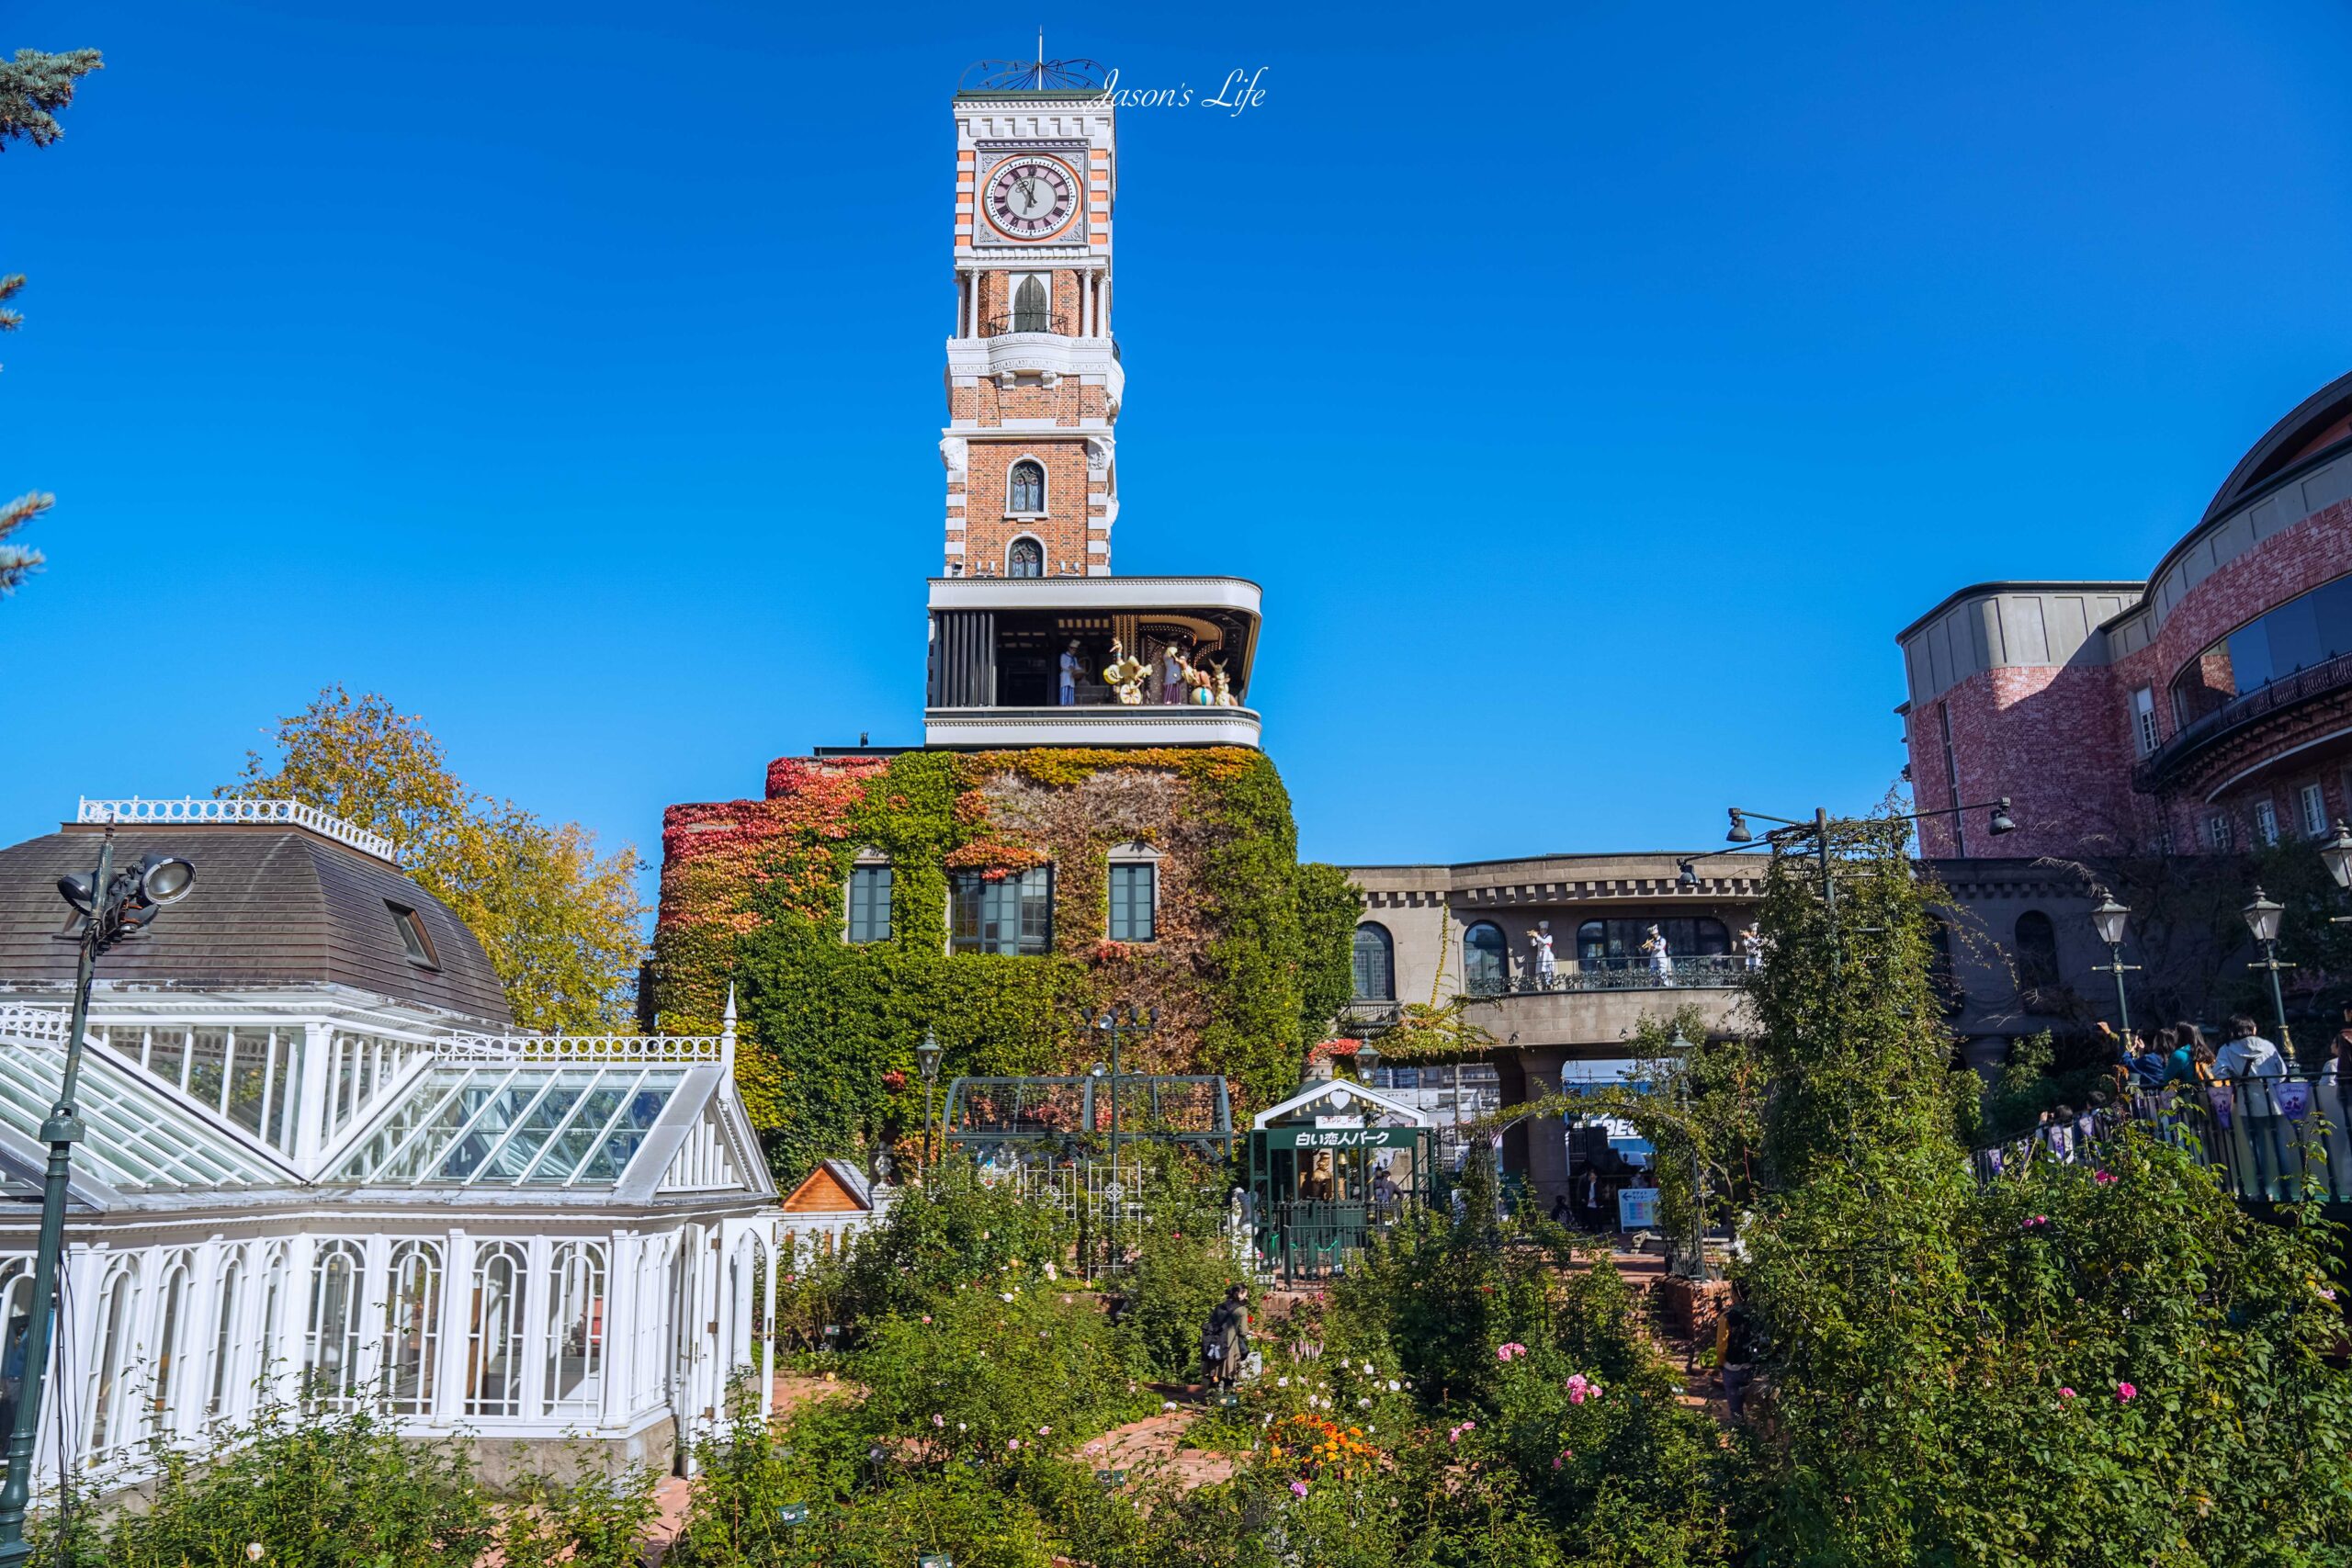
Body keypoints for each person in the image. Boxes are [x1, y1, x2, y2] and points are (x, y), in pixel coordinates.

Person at [2214, 1012, 2293, 1198]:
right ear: (2253, 1028)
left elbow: (2219, 1073)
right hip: (2272, 1100)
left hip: (2247, 1101)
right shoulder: (2267, 1045)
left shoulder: (2227, 1049)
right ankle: (2287, 1187)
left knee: (2257, 1148)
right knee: (2280, 1145)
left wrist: (2237, 1076)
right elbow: (2282, 1073)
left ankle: (2263, 1189)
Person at [1717, 1279, 1765, 1423]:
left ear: (1735, 1295)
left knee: (1736, 1413)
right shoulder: (1757, 1315)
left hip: (1732, 1369)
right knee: (1756, 1413)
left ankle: (1740, 1439)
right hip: (1753, 1368)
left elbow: (1721, 1346)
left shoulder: (1726, 1317)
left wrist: (1722, 1364)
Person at [1202, 1284, 1251, 1389]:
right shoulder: (1241, 1310)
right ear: (1239, 1294)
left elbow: (1212, 1324)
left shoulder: (1220, 1307)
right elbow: (1243, 1332)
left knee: (1214, 1375)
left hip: (1216, 1346)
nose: (1246, 1297)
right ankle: (1228, 1401)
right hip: (1230, 1347)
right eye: (1245, 1294)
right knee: (1229, 1377)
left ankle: (1212, 1399)